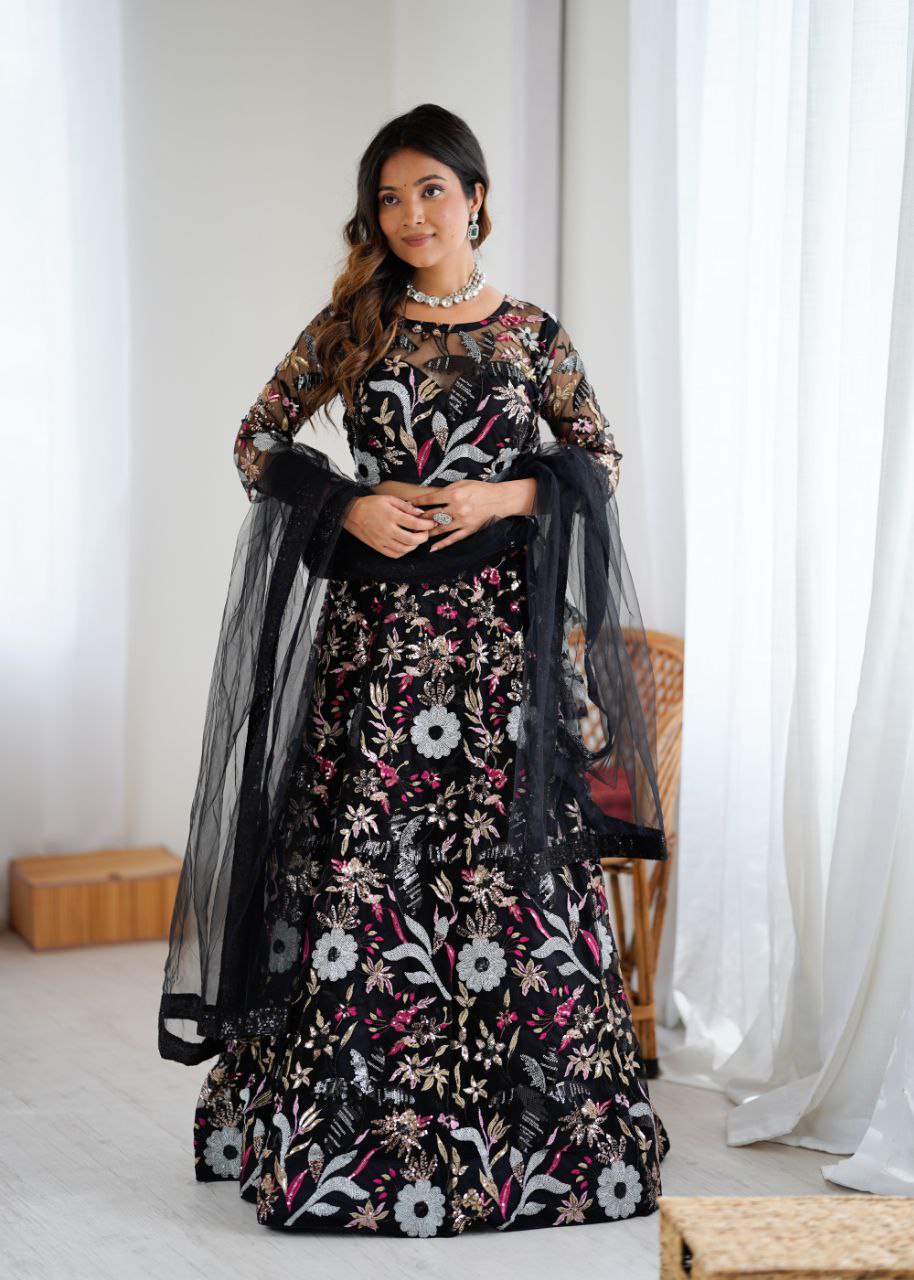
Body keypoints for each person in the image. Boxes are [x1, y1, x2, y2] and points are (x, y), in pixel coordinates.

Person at [159, 102, 670, 1237]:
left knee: (509, 876)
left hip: (498, 655)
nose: (409, 215)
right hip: (379, 654)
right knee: (364, 870)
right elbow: (257, 440)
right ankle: (348, 1146)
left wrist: (503, 494)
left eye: (430, 190)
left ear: (476, 199)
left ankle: (539, 1149)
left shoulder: (532, 335)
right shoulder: (355, 324)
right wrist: (350, 503)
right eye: (389, 198)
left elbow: (597, 459)